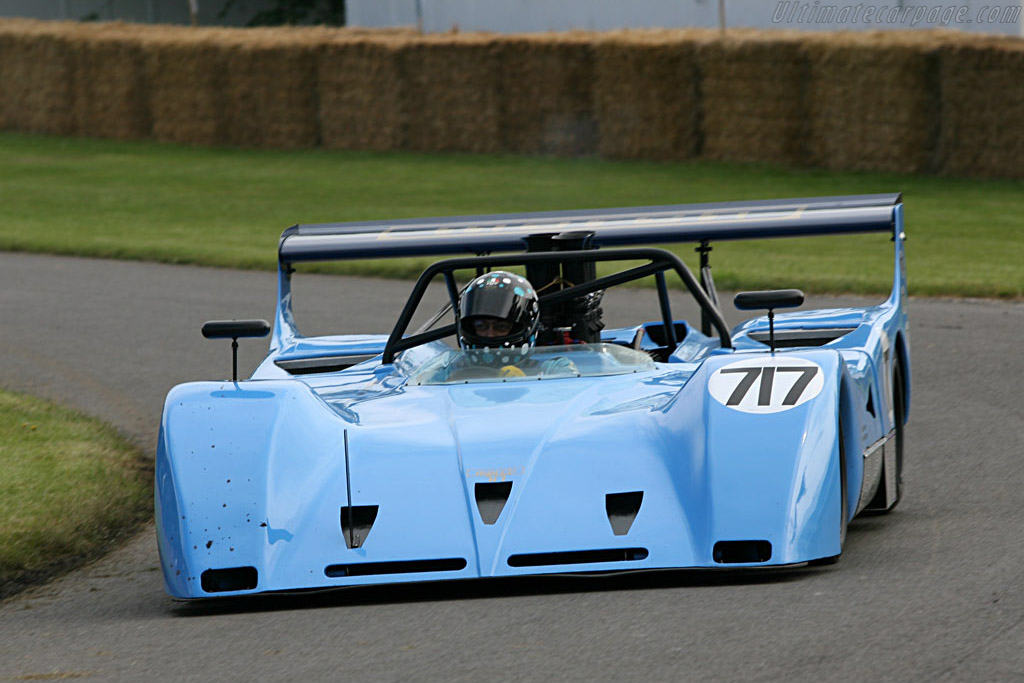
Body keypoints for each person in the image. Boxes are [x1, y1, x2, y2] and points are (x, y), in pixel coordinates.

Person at [438, 271, 576, 380]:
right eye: (481, 326)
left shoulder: (555, 369)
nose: (490, 335)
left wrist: (530, 384)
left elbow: (572, 396)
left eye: (501, 327)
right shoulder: (447, 369)